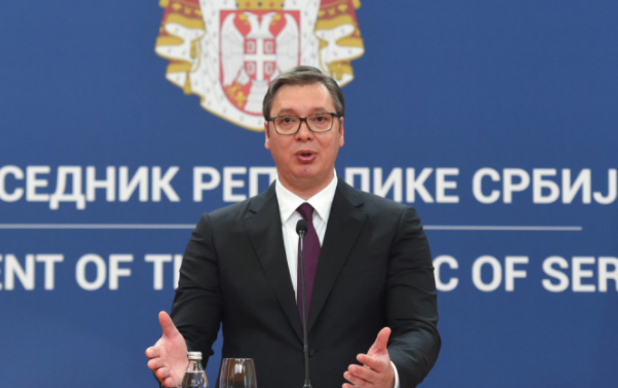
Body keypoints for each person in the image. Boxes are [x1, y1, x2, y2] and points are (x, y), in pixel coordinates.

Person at [146, 66, 440, 388]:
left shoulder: (393, 226)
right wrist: (182, 369)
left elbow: (418, 330)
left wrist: (391, 372)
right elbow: (190, 339)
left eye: (319, 119)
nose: (304, 133)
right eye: (287, 121)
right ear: (267, 134)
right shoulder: (219, 233)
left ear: (341, 131)